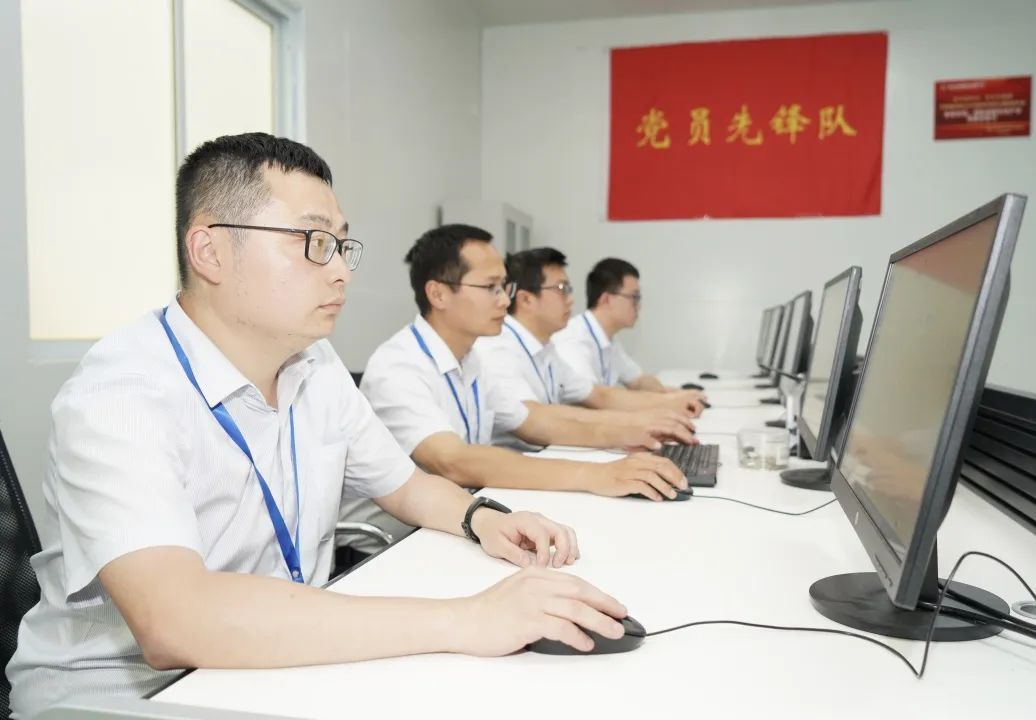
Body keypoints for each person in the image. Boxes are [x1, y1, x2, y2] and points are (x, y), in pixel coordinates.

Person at [7, 134, 628, 719]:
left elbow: (407, 486)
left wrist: (484, 519)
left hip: (275, 660)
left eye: (341, 245)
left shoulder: (314, 363)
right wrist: (467, 618)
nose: (340, 271)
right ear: (210, 251)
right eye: (312, 242)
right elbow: (175, 623)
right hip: (127, 699)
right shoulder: (119, 395)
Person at [359, 224, 690, 502]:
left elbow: (534, 421)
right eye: (490, 287)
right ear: (438, 294)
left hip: (463, 509)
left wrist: (632, 431)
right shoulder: (398, 366)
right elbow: (452, 460)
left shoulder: (471, 358)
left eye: (505, 287)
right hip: (400, 541)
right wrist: (597, 475)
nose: (505, 300)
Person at [475, 247, 706, 448]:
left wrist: (665, 408)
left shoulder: (545, 347)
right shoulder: (498, 348)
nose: (570, 299)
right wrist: (638, 423)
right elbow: (534, 419)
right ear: (526, 300)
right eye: (561, 288)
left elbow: (598, 395)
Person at [553, 257, 684, 393]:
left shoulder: (609, 340)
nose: (638, 306)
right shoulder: (573, 340)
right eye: (634, 297)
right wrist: (668, 400)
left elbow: (639, 380)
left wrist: (669, 393)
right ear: (607, 299)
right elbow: (595, 400)